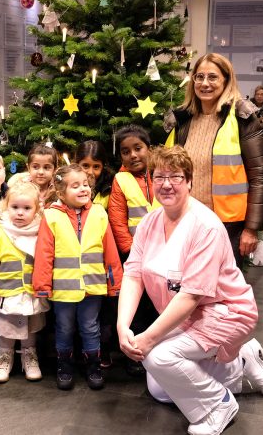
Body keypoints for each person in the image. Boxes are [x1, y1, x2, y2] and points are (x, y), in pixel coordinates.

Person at [117, 146, 263, 435]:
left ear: (189, 181)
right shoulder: (150, 222)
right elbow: (133, 273)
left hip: (226, 313)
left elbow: (190, 296)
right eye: (159, 176)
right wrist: (122, 326)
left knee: (158, 358)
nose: (166, 184)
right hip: (188, 316)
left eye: (176, 176)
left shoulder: (206, 227)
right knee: (161, 389)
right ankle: (240, 364)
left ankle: (219, 406)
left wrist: (149, 339)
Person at [165, 53, 263, 268]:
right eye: (199, 77)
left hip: (226, 225)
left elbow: (259, 177)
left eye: (212, 77)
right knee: (182, 288)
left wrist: (251, 229)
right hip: (184, 219)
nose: (205, 83)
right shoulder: (182, 120)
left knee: (221, 293)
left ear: (226, 80)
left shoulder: (243, 119)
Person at [33, 164, 123, 391]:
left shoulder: (99, 213)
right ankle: (64, 365)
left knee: (90, 327)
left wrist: (115, 282)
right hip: (64, 289)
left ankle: (93, 365)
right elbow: (44, 253)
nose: (83, 189)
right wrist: (42, 285)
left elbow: (109, 249)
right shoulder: (51, 216)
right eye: (75, 186)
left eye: (85, 184)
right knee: (64, 328)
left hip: (93, 285)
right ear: (61, 192)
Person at [0, 180, 49, 383]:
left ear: (36, 210)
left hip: (32, 292)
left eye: (26, 208)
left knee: (31, 328)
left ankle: (30, 356)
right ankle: (4, 357)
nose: (19, 213)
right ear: (6, 206)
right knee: (7, 329)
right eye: (15, 207)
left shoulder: (40, 231)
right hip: (8, 292)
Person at [107, 124, 159, 374]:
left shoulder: (162, 174)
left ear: (149, 149)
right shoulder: (121, 180)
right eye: (126, 152)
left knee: (160, 304)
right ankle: (134, 355)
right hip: (136, 257)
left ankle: (159, 351)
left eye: (138, 148)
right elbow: (117, 220)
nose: (133, 155)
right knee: (137, 306)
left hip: (165, 255)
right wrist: (131, 251)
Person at [74, 140, 114, 210]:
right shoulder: (66, 186)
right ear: (77, 164)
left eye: (96, 167)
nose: (90, 172)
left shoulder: (111, 188)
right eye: (85, 166)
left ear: (103, 167)